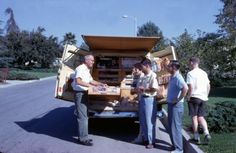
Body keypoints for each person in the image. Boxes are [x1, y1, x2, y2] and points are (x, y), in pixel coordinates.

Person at [72, 54, 107, 146]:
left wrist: (101, 84)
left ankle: (84, 136)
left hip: (84, 93)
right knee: (82, 117)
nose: (93, 62)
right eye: (91, 60)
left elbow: (91, 81)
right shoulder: (80, 68)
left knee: (85, 116)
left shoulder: (86, 70)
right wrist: (91, 86)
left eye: (93, 60)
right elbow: (78, 81)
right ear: (86, 60)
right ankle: (83, 139)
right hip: (80, 94)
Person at [186, 57, 211, 144]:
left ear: (192, 63)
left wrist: (188, 97)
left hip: (194, 97)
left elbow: (191, 87)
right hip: (203, 98)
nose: (188, 65)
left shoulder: (190, 73)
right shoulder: (204, 73)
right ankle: (207, 133)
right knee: (201, 117)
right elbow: (208, 85)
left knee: (194, 117)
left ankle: (196, 138)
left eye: (189, 63)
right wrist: (206, 95)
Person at [136, 58, 159, 149]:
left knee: (149, 121)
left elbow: (154, 88)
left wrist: (144, 89)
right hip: (142, 98)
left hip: (150, 99)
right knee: (143, 120)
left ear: (147, 66)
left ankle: (151, 141)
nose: (141, 68)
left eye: (142, 67)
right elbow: (138, 86)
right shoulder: (143, 75)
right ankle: (145, 138)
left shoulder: (153, 75)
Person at [166, 60, 188, 153]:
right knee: (172, 126)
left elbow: (185, 88)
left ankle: (179, 149)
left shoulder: (178, 77)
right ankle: (175, 146)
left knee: (176, 127)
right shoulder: (172, 76)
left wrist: (178, 99)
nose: (167, 68)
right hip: (171, 105)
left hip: (176, 106)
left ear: (174, 68)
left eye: (169, 66)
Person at [131, 63, 145, 144]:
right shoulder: (140, 77)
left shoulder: (142, 77)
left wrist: (135, 91)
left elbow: (141, 90)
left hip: (143, 100)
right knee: (142, 120)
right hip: (141, 99)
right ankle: (141, 137)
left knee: (142, 120)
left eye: (134, 69)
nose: (133, 70)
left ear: (137, 69)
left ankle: (141, 138)